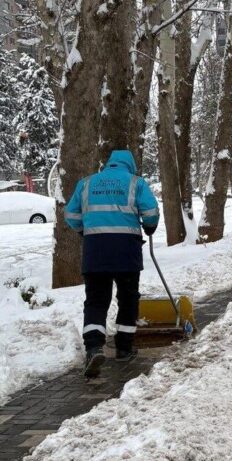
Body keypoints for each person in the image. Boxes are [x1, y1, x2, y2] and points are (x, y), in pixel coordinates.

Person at [64, 149, 160, 377]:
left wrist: (83, 231)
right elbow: (151, 211)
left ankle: (94, 348)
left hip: (95, 249)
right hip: (126, 249)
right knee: (128, 297)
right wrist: (149, 226)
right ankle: (124, 348)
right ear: (130, 165)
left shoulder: (86, 183)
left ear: (108, 164)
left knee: (96, 301)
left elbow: (71, 215)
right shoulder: (135, 183)